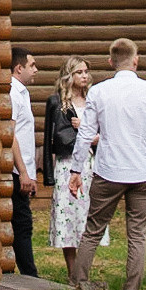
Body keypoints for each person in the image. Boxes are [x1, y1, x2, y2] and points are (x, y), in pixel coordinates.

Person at [65, 38, 146, 290]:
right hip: (140, 170)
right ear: (136, 61)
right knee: (137, 234)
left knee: (92, 231)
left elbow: (86, 135)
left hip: (108, 170)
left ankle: (80, 286)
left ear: (110, 61)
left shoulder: (100, 92)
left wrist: (76, 170)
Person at [45, 57, 94, 257]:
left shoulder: (93, 99)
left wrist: (85, 128)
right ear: (69, 75)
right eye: (79, 72)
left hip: (90, 163)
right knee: (68, 214)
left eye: (86, 72)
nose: (84, 76)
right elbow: (49, 137)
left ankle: (85, 269)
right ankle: (73, 273)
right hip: (67, 163)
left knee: (87, 214)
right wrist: (48, 175)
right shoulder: (57, 102)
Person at [7, 52, 40, 279]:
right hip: (15, 171)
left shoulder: (22, 92)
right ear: (19, 68)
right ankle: (29, 276)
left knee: (22, 221)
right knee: (22, 223)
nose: (36, 69)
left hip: (22, 170)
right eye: (32, 65)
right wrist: (24, 173)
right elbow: (11, 134)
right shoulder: (12, 93)